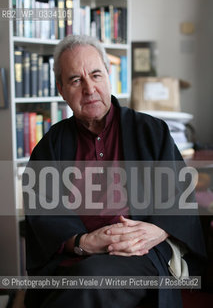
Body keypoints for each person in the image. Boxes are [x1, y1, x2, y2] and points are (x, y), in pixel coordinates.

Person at [24, 35, 206, 308]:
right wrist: (84, 242)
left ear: (109, 77)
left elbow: (181, 198)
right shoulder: (51, 146)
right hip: (75, 257)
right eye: (76, 80)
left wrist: (157, 230)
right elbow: (42, 213)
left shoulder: (150, 131)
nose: (89, 88)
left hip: (139, 253)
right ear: (61, 90)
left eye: (96, 75)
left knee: (91, 279)